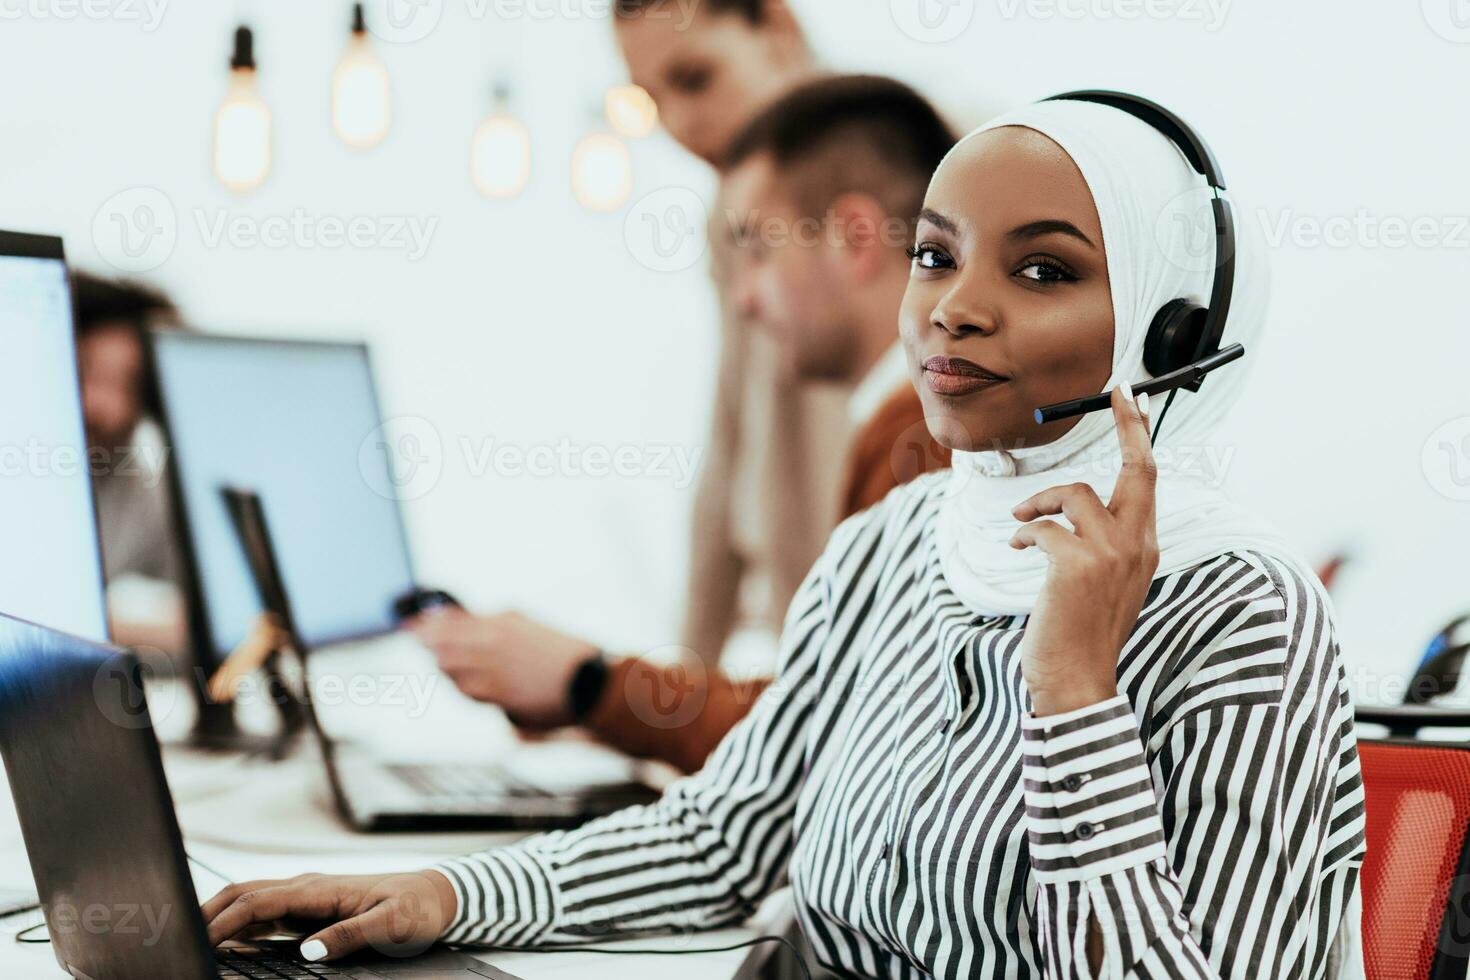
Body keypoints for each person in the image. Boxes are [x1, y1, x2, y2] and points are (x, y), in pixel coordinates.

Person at [202, 96, 1366, 977]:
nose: (953, 307)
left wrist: (1072, 691)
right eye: (936, 254)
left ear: (1175, 336)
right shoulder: (900, 540)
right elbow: (723, 838)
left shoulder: (1241, 611)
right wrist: (444, 894)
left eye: (1044, 268)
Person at [416, 75, 954, 774]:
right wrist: (607, 709)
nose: (745, 297)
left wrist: (589, 682)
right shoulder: (899, 428)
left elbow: (818, 740)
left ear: (855, 239)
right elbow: (825, 710)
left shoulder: (930, 445)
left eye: (757, 249)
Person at [73, 271, 188, 655]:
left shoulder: (136, 483)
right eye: (86, 370)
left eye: (128, 384)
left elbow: (206, 615)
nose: (101, 406)